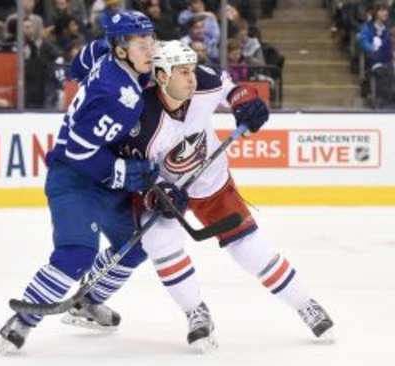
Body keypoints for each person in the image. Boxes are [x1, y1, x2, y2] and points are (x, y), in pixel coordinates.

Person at [61, 41, 334, 350]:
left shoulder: (203, 82)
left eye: (191, 70)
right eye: (182, 73)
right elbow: (130, 171)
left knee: (250, 248)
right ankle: (196, 312)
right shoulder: (138, 118)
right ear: (162, 76)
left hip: (210, 183)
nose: (191, 78)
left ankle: (305, 304)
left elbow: (233, 88)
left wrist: (246, 102)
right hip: (163, 191)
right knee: (160, 243)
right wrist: (155, 192)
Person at [0, 11, 159, 355]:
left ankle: (87, 302)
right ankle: (22, 321)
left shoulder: (105, 51)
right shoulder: (117, 95)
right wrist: (125, 174)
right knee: (77, 255)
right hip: (73, 178)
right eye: (142, 45)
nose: (151, 50)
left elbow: (77, 66)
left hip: (99, 178)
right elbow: (77, 151)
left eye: (151, 42)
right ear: (121, 50)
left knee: (136, 245)